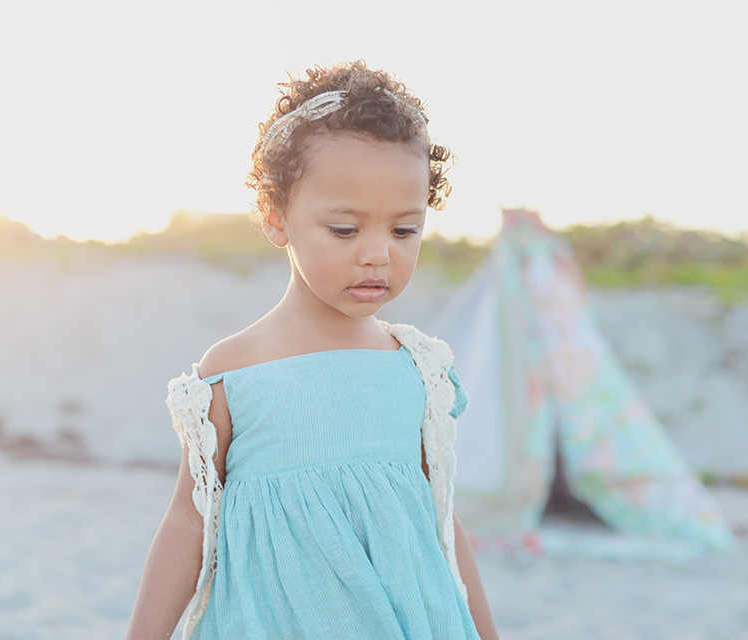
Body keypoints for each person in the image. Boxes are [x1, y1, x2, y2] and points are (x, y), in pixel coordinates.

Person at [126, 60, 499, 640]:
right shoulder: (233, 371)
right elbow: (187, 519)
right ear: (277, 217)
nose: (378, 254)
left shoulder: (417, 369)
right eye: (345, 230)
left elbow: (440, 522)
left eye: (404, 230)